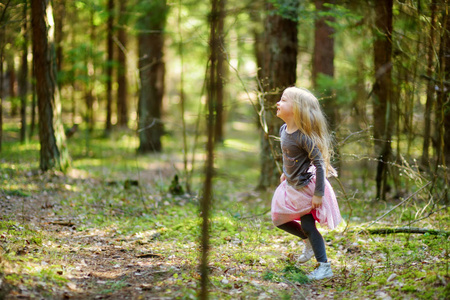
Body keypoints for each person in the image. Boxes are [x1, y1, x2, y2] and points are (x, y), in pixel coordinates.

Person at [271, 86, 342, 280]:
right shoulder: (283, 129)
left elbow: (319, 163)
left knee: (309, 226)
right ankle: (307, 240)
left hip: (307, 188)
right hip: (292, 185)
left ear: (296, 109)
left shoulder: (303, 136)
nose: (278, 103)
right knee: (278, 218)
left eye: (284, 100)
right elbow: (291, 157)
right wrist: (286, 174)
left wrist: (318, 193)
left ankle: (324, 266)